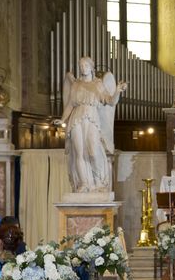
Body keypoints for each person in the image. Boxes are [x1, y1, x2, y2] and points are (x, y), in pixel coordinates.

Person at [54, 56, 127, 193]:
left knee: (93, 151)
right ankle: (84, 183)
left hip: (92, 117)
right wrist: (63, 120)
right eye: (81, 66)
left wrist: (117, 90)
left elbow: (111, 101)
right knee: (79, 153)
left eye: (85, 65)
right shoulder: (76, 84)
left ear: (91, 67)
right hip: (76, 118)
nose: (83, 68)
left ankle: (99, 181)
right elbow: (70, 104)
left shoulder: (98, 84)